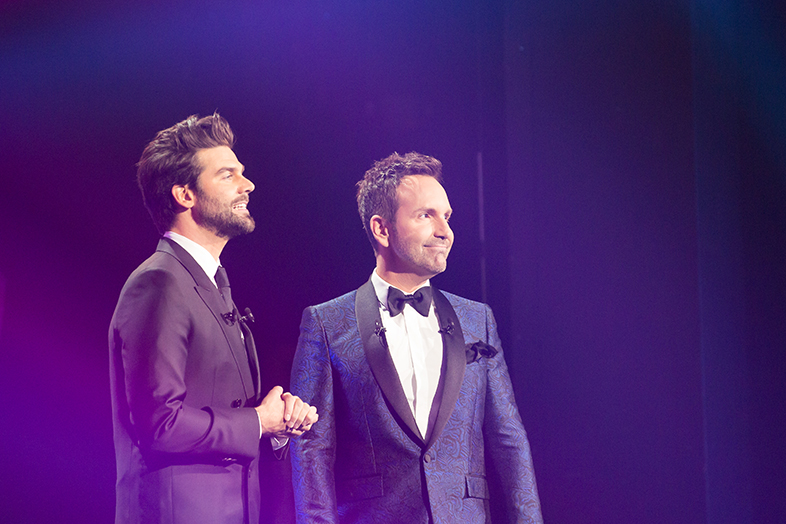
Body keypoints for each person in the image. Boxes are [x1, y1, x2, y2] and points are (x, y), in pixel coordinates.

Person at [290, 152, 542, 523]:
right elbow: (312, 450)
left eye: (447, 217)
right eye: (426, 215)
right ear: (382, 229)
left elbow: (509, 440)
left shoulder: (478, 320)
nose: (445, 231)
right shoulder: (326, 323)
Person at [109, 113, 317, 524]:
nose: (247, 184)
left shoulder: (209, 284)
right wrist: (257, 421)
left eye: (242, 172)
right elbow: (160, 423)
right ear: (185, 195)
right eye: (227, 175)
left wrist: (276, 420)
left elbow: (224, 414)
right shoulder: (159, 282)